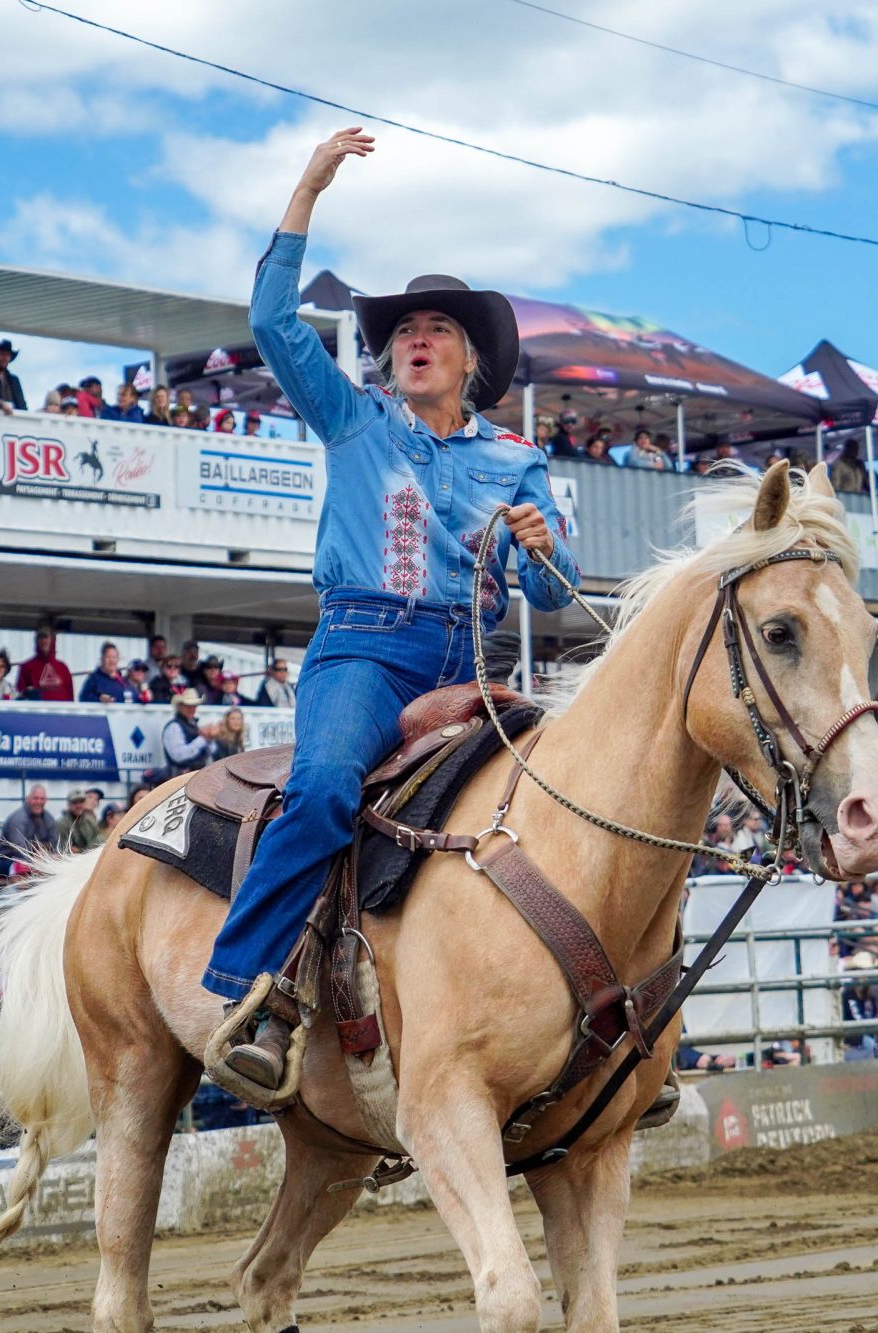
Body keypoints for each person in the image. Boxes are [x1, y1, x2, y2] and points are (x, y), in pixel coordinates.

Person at [209, 130, 580, 1089]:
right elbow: (273, 323)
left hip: (470, 664)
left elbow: (550, 590)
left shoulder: (514, 459)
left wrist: (545, 548)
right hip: (363, 651)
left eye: (438, 330)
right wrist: (306, 190)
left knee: (575, 801)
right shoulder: (356, 418)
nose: (415, 338)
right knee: (329, 784)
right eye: (405, 329)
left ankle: (603, 1023)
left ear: (469, 364)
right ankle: (255, 984)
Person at [160, 689, 217, 777]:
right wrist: (203, 738)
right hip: (180, 777)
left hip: (195, 775)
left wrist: (209, 738)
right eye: (187, 705)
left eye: (194, 705)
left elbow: (210, 752)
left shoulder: (193, 725)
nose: (192, 709)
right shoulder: (174, 727)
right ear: (180, 707)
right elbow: (179, 756)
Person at [15, 625, 74, 700]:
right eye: (40, 637)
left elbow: (70, 697)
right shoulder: (26, 667)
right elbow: (20, 695)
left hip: (60, 711)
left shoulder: (63, 668)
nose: (43, 641)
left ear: (52, 640)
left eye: (45, 637)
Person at [0, 787, 59, 856]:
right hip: (7, 860)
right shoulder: (18, 819)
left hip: (37, 858)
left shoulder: (49, 818)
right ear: (28, 799)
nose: (39, 802)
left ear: (46, 800)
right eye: (35, 798)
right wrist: (40, 849)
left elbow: (54, 843)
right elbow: (19, 849)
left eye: (42, 799)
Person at [0, 340, 27, 411]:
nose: (4, 358)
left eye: (7, 355)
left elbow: (22, 405)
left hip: (12, 419)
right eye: (1, 354)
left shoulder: (14, 380)